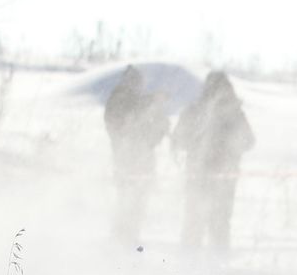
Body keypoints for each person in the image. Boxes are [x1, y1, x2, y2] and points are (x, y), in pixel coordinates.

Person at [172, 71, 255, 250]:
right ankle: (204, 262)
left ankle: (205, 263)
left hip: (215, 176)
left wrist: (226, 146)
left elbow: (248, 141)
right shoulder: (201, 111)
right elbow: (179, 138)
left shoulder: (230, 113)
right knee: (209, 222)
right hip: (207, 175)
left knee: (207, 222)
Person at [102, 66, 170, 244]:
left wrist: (158, 117)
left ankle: (128, 237)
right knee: (126, 201)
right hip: (127, 159)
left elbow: (155, 131)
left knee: (137, 203)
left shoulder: (131, 101)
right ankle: (121, 238)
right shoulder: (120, 99)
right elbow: (126, 117)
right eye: (136, 82)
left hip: (140, 160)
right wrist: (153, 101)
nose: (139, 86)